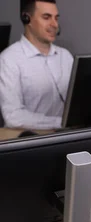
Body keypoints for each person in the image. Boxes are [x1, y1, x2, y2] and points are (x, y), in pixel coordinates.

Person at [0, 0, 72, 130]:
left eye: (56, 18)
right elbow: (13, 116)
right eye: (46, 17)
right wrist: (61, 122)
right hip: (29, 140)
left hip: (65, 136)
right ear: (27, 18)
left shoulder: (65, 56)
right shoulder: (9, 59)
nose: (54, 24)